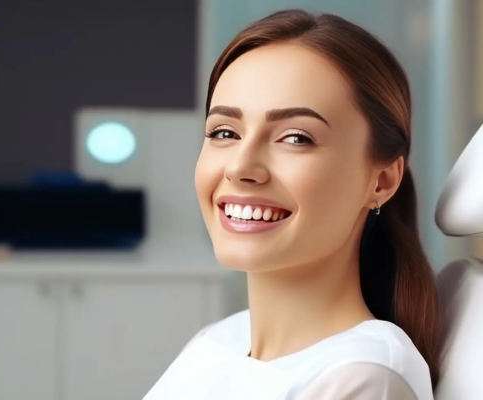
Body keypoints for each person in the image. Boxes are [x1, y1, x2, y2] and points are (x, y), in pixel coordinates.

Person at [143, 9, 440, 400]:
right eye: (224, 132)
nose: (241, 167)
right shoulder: (219, 339)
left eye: (296, 138)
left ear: (382, 181)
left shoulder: (363, 378)